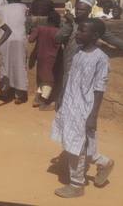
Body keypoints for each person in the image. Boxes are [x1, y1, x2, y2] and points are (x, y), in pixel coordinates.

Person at [51, 18, 114, 198]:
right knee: (77, 142)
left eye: (81, 31)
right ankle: (104, 162)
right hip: (70, 104)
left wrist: (93, 115)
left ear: (95, 36)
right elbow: (71, 78)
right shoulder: (78, 52)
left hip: (84, 109)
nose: (77, 34)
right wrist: (62, 99)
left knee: (75, 146)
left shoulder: (101, 58)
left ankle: (77, 185)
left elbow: (99, 88)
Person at [55, 0, 123, 104]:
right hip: (70, 63)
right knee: (67, 87)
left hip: (86, 64)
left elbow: (112, 39)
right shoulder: (70, 23)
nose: (78, 11)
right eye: (77, 9)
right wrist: (69, 24)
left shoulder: (94, 25)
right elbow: (58, 38)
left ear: (89, 11)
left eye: (81, 9)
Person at [0, 0, 29, 104]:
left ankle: (4, 92)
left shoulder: (0, 8)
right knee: (19, 66)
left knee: (4, 65)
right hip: (19, 39)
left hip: (4, 39)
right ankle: (19, 94)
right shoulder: (23, 7)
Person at [28, 10, 61, 110]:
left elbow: (30, 39)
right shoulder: (58, 31)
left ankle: (37, 99)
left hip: (41, 58)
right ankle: (43, 103)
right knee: (49, 81)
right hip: (52, 60)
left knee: (44, 80)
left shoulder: (40, 29)